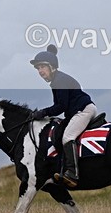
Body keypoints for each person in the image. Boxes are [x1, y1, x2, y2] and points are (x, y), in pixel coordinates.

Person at [30, 44, 98, 188]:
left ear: (52, 66)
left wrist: (42, 112)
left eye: (42, 67)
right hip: (77, 111)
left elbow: (61, 106)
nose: (40, 71)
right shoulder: (57, 80)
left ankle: (72, 174)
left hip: (83, 110)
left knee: (68, 137)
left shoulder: (59, 81)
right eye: (38, 68)